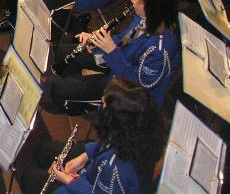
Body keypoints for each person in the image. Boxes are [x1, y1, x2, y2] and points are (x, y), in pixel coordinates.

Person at [49, 0, 179, 111]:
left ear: (153, 10)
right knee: (60, 53)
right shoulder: (145, 16)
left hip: (125, 86)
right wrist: (98, 41)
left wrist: (111, 51)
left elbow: (138, 85)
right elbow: (124, 39)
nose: (133, 0)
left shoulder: (160, 50)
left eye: (139, 1)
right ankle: (74, 86)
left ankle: (82, 105)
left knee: (57, 89)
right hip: (119, 58)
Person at [22, 77, 163, 194]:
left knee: (30, 179)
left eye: (104, 103)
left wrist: (68, 180)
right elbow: (109, 143)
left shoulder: (116, 170)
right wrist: (85, 156)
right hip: (97, 169)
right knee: (45, 150)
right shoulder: (136, 130)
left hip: (91, 184)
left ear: (116, 118)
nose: (101, 100)